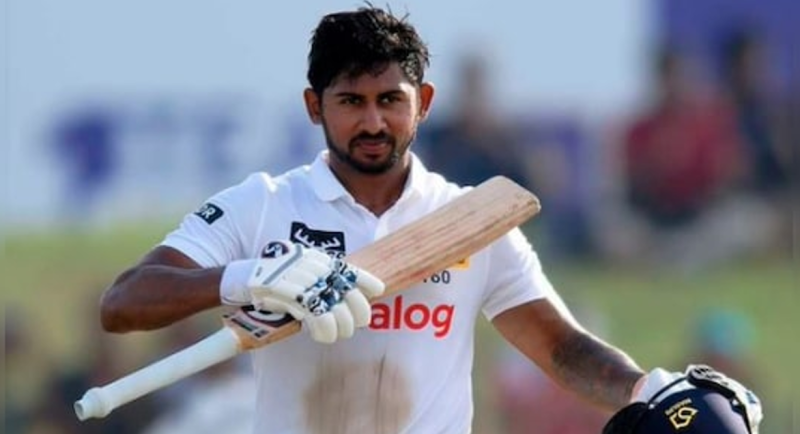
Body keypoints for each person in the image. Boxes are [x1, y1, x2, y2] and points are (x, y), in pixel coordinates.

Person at [98, 6, 761, 433]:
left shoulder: (470, 220)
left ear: (425, 102)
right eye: (350, 101)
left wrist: (648, 389)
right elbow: (125, 303)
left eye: (391, 99)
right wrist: (250, 278)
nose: (373, 121)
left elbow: (560, 347)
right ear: (313, 106)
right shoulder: (264, 205)